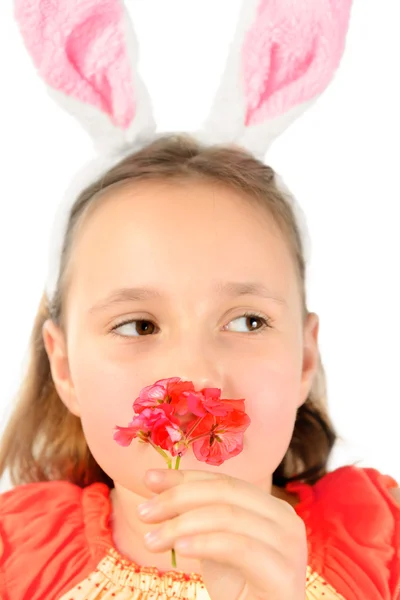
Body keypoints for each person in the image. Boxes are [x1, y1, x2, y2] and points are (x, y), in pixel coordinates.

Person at [1, 1, 399, 599]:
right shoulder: (14, 555)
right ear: (64, 367)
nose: (191, 376)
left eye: (246, 320)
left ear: (304, 360)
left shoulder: (382, 541)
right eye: (137, 326)